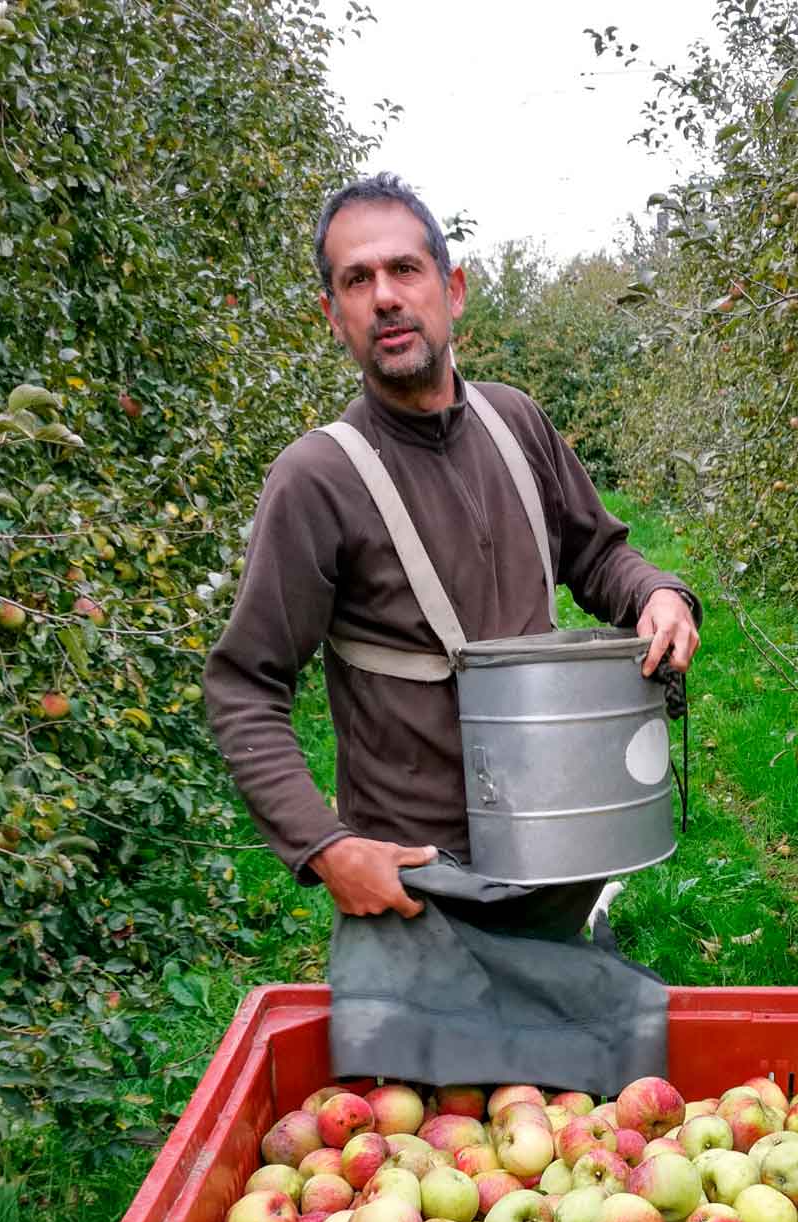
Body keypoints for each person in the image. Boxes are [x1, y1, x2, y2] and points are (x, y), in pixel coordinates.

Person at [204, 173, 700, 941]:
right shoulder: (317, 478)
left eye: (404, 269)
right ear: (333, 317)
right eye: (356, 280)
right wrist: (326, 846)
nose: (385, 297)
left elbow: (598, 557)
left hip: (559, 850)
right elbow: (245, 685)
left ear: (452, 288)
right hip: (414, 888)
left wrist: (659, 594)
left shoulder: (515, 421)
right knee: (434, 1069)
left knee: (578, 1060)